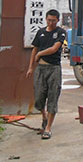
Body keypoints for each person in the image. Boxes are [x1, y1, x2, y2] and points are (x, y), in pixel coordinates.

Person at [25, 9, 66, 139]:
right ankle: (44, 116)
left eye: (53, 20)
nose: (51, 22)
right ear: (46, 19)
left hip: (54, 69)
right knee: (39, 97)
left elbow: (54, 48)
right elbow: (34, 49)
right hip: (40, 69)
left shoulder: (61, 32)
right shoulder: (41, 32)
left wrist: (40, 54)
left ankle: (48, 128)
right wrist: (30, 67)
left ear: (58, 20)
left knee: (53, 96)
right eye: (49, 20)